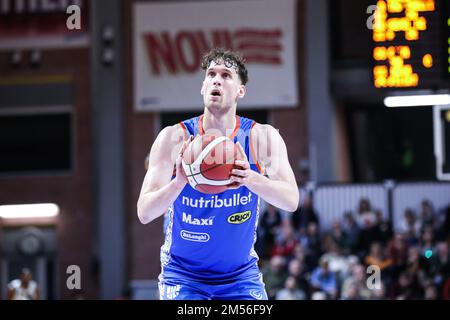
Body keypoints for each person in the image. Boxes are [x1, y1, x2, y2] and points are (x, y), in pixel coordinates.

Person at [137, 48, 299, 300]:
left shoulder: (263, 137)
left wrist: (250, 178)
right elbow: (145, 213)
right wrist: (178, 182)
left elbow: (291, 201)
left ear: (240, 91)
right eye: (211, 74)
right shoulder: (173, 137)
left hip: (240, 276)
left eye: (226, 75)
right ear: (203, 87)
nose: (216, 79)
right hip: (183, 275)